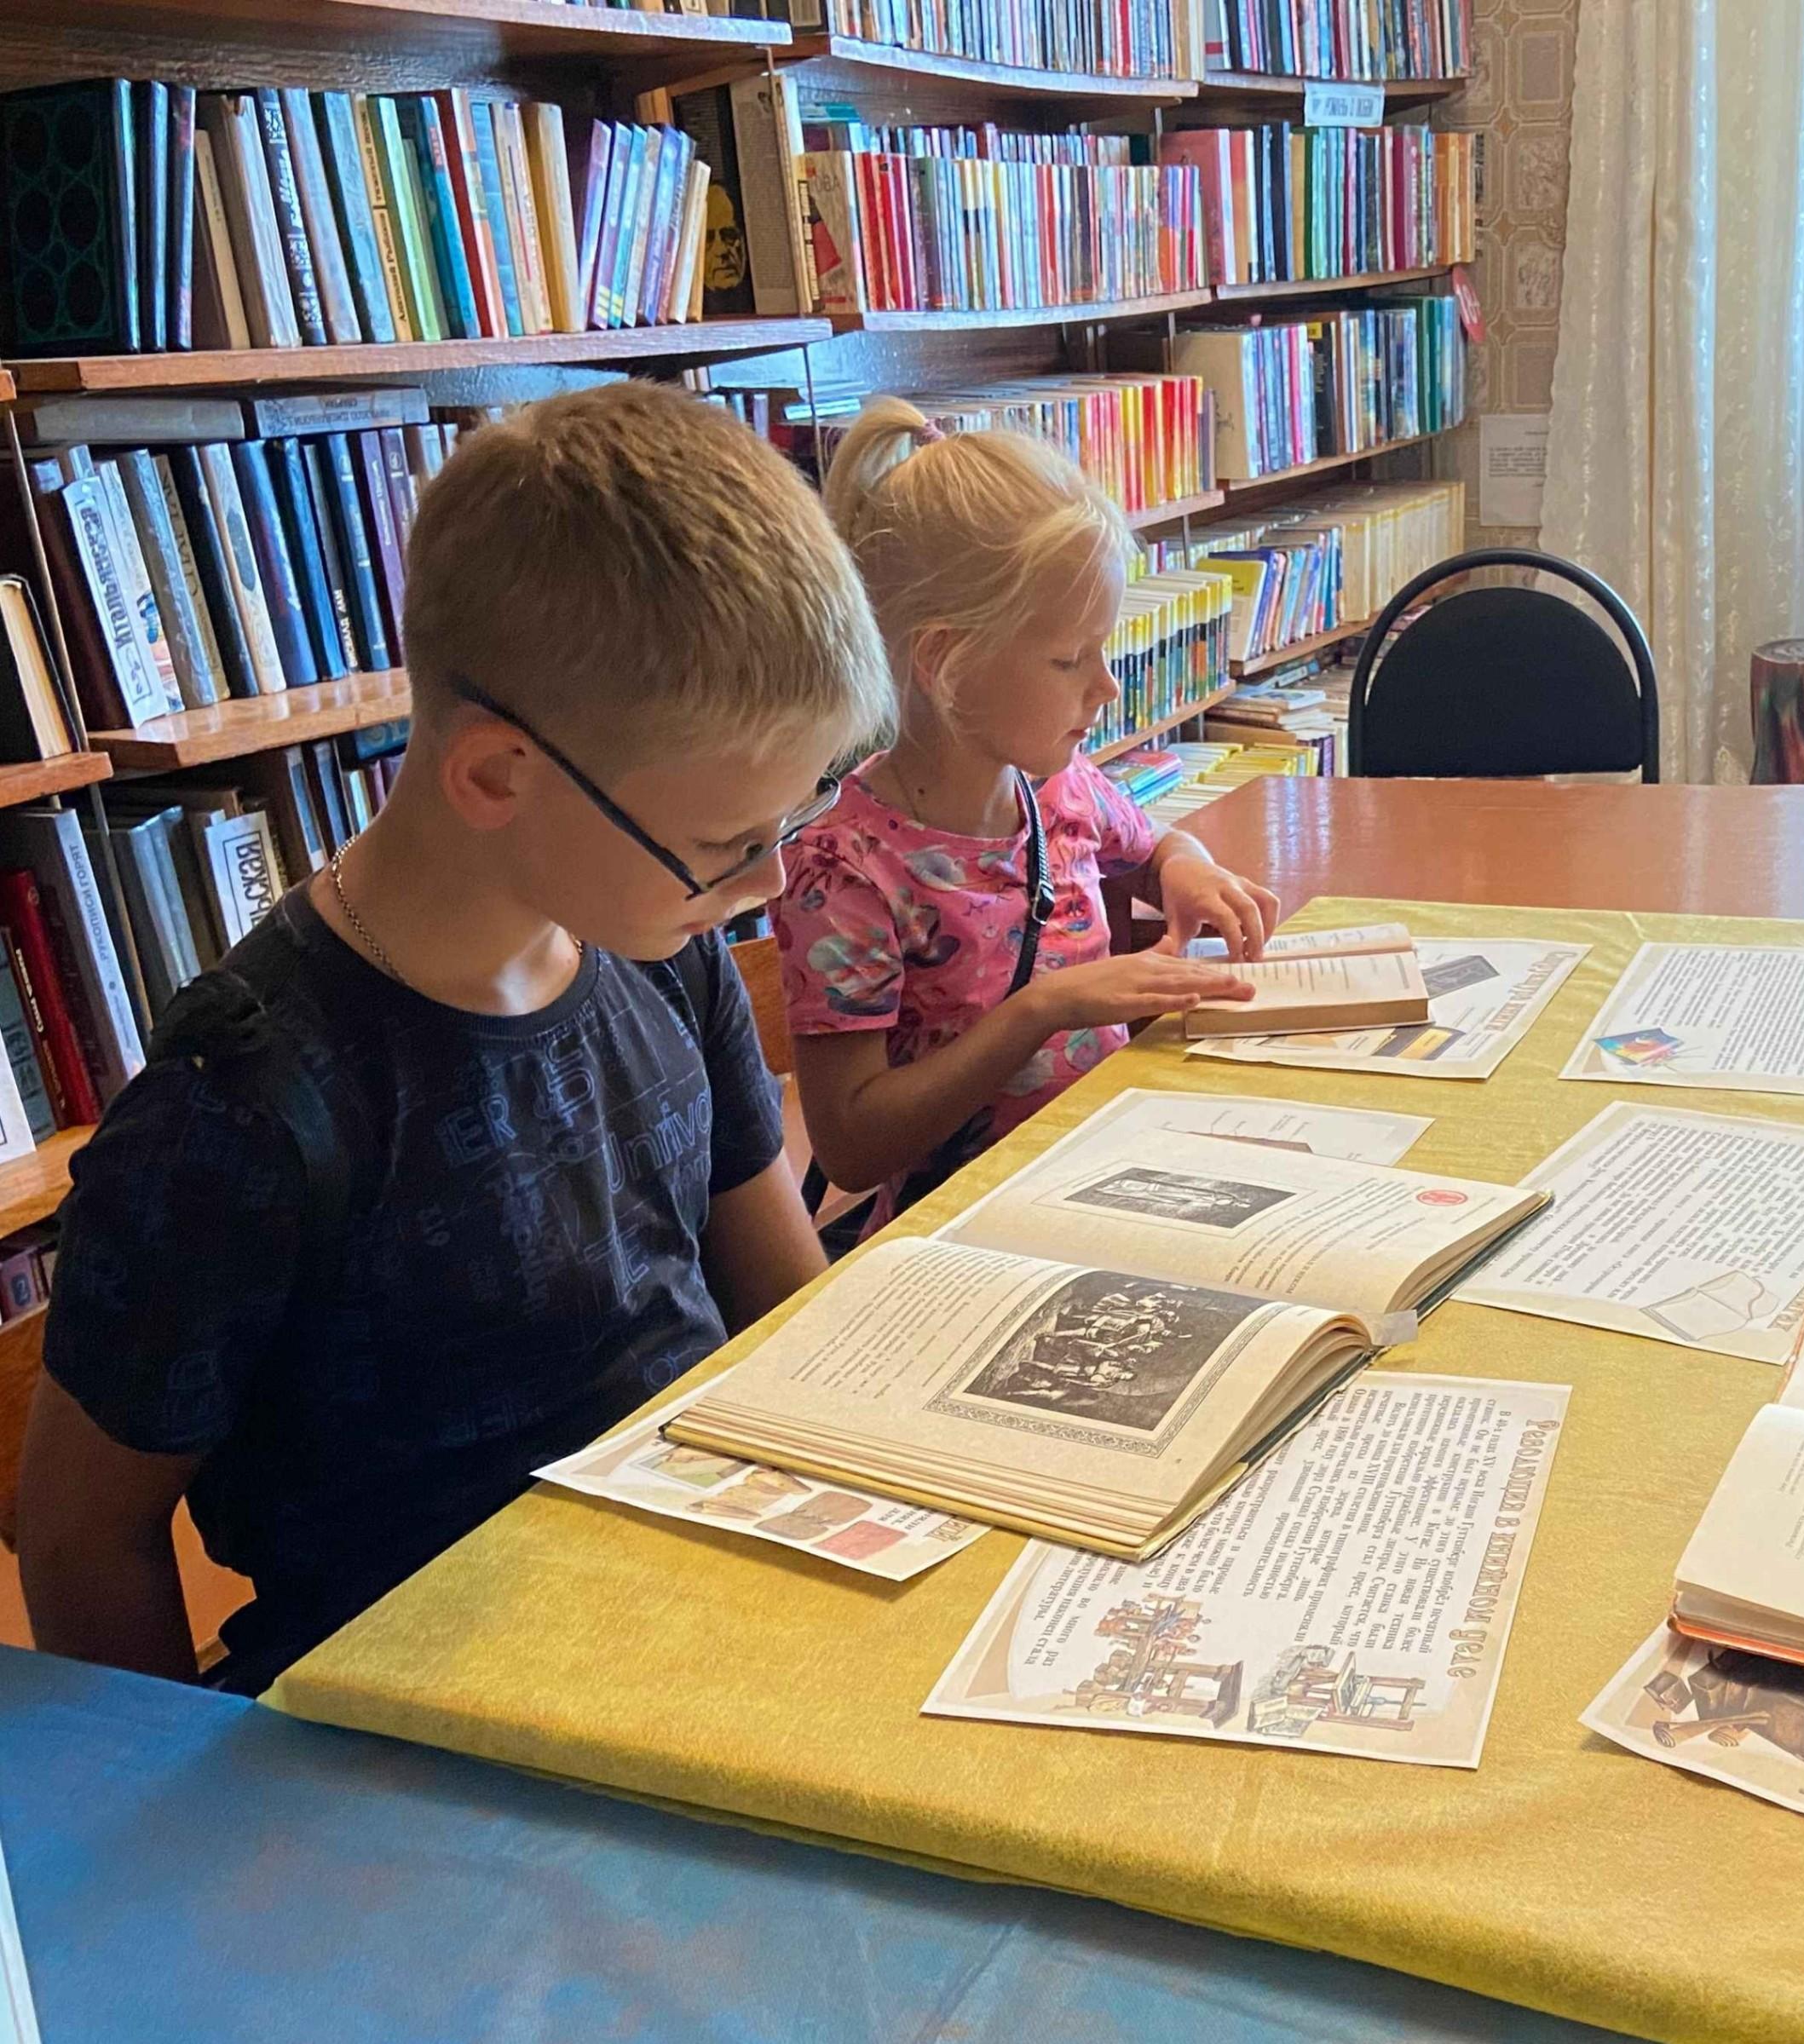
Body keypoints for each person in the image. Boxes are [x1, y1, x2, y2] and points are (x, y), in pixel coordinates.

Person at [17, 383, 894, 1696]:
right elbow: (82, 1538)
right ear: (496, 776)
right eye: (725, 845)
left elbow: (780, 1319)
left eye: (796, 814)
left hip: (700, 1626)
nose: (770, 881)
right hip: (415, 1743)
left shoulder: (669, 953)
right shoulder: (244, 1113)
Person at [779, 405, 1277, 1224]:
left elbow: (1155, 846)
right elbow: (851, 1147)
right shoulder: (843, 866)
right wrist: (1048, 1006)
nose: (1108, 687)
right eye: (1068, 658)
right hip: (975, 1232)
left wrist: (1186, 869)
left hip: (1110, 1178)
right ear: (946, 663)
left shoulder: (1059, 785)